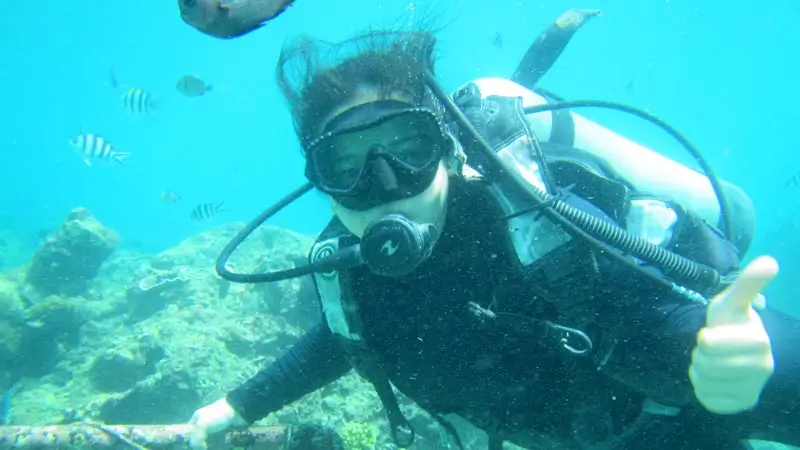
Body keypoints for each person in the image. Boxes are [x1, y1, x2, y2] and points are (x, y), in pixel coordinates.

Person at [188, 24, 800, 450]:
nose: (386, 185)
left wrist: (736, 354)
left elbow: (649, 313)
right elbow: (341, 337)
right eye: (346, 168)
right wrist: (240, 404)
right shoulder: (350, 276)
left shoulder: (542, 226)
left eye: (408, 150)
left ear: (448, 153)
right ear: (321, 186)